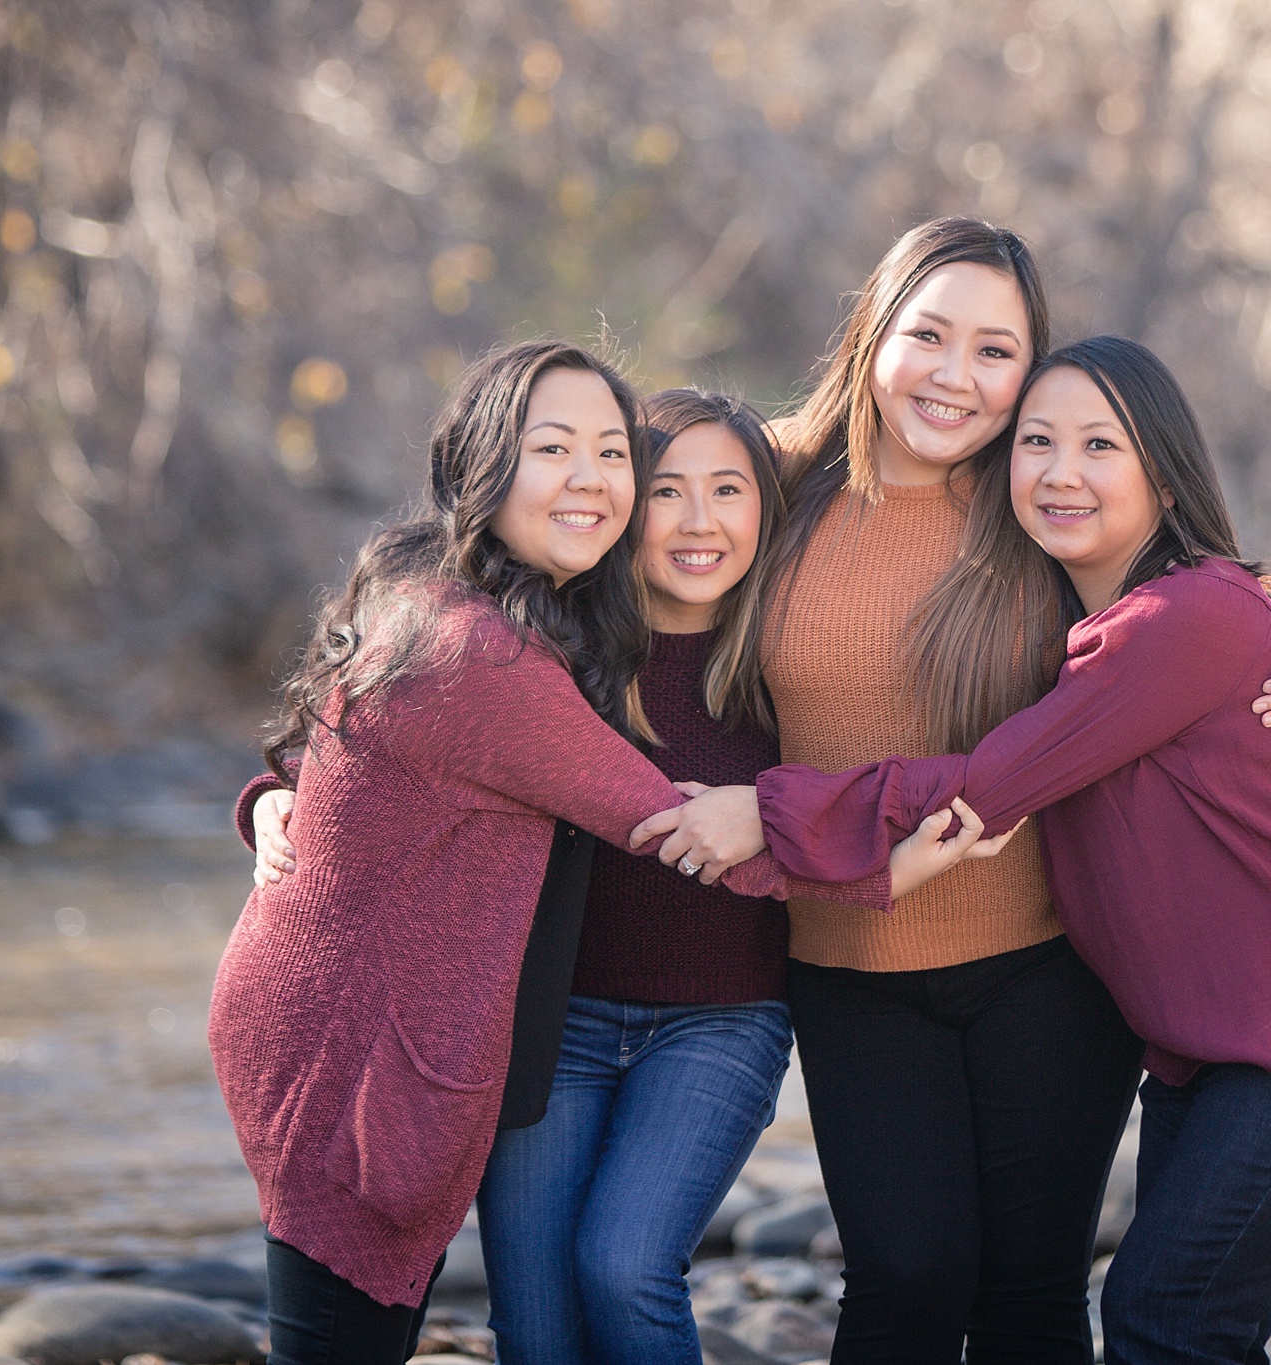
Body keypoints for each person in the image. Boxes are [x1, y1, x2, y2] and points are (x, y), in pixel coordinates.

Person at [643, 335, 1271, 1365]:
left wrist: (764, 813)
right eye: (1038, 442)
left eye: (1098, 446)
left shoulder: (1171, 620)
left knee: (1164, 1321)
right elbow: (665, 472)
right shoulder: (1106, 604)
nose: (1060, 470)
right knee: (1180, 1323)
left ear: (1161, 475)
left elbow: (985, 790)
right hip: (1212, 1043)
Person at [211, 342, 992, 1365]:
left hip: (716, 1022)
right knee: (533, 1327)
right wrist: (278, 802)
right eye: (663, 485)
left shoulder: (782, 657)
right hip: (553, 1023)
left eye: (727, 490)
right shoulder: (551, 636)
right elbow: (392, 743)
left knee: (621, 1271)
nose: (697, 517)